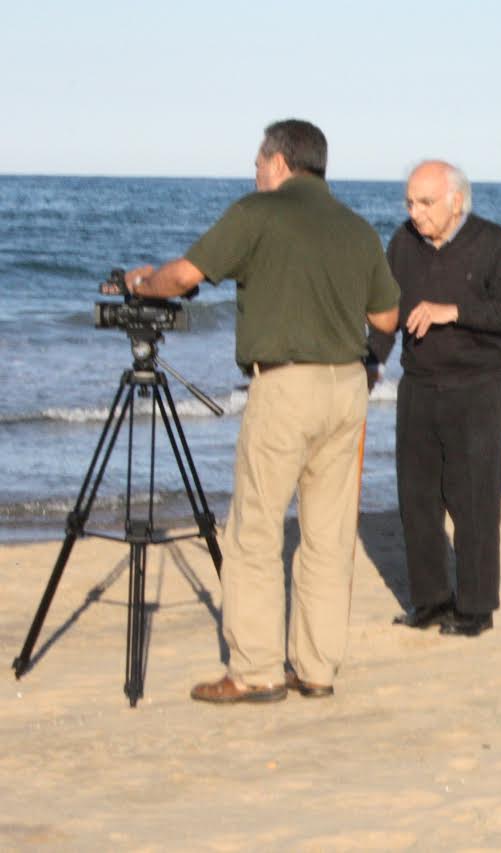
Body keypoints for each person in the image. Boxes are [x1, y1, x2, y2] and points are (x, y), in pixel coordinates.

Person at [125, 119, 400, 703]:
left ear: (279, 162)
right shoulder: (357, 228)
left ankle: (256, 670)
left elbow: (186, 275)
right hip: (348, 386)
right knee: (327, 536)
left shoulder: (257, 211)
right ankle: (318, 668)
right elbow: (386, 320)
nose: (253, 170)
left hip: (285, 387)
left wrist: (144, 284)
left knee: (254, 531)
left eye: (257, 161)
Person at [368, 160, 501, 638]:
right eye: (410, 202)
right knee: (416, 499)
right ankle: (431, 601)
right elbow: (387, 310)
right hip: (418, 388)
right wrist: (373, 358)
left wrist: (453, 311)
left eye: (424, 203)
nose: (414, 213)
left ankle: (476, 607)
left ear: (455, 201)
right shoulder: (402, 243)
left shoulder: (492, 243)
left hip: (478, 390)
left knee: (475, 501)